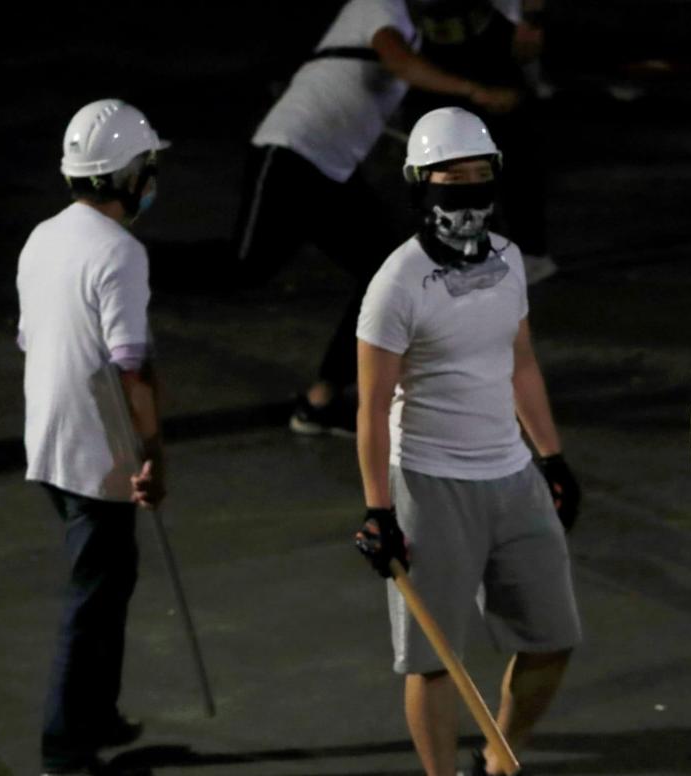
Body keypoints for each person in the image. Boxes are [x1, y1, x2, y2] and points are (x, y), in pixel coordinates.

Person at [353, 107, 581, 776]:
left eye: (482, 177)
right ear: (422, 186)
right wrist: (378, 510)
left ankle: (499, 760)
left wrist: (551, 455)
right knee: (434, 662)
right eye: (453, 179)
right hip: (429, 482)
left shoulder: (510, 262)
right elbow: (369, 409)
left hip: (512, 477)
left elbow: (522, 363)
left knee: (553, 638)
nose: (470, 193)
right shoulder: (396, 285)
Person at [234, 0, 522, 436]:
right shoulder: (378, 6)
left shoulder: (415, 29)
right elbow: (399, 63)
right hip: (291, 150)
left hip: (332, 168)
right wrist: (475, 92)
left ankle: (321, 400)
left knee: (382, 276)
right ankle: (123, 263)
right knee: (242, 267)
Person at [17, 98, 167, 776]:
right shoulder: (121, 252)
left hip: (47, 440)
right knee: (94, 591)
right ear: (129, 174)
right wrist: (152, 454)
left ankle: (95, 716)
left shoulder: (43, 237)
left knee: (110, 578)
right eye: (149, 167)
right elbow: (131, 364)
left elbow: (32, 339)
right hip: (96, 450)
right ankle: (64, 748)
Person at [405, 0, 558, 284]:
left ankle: (532, 252)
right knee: (442, 155)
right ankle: (471, 253)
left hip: (485, 41)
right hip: (430, 43)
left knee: (511, 151)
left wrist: (532, 20)